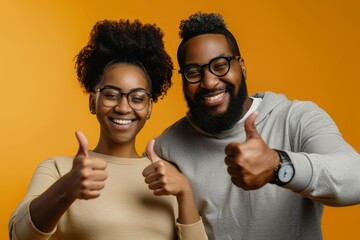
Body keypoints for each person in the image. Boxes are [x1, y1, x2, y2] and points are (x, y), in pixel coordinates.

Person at [153, 12, 360, 239]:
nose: (209, 82)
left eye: (220, 65)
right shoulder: (167, 148)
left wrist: (277, 165)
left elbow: (355, 177)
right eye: (194, 72)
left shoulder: (295, 119)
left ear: (241, 66)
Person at [8, 19, 207, 240]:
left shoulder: (168, 176)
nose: (123, 107)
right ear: (93, 101)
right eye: (112, 95)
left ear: (149, 107)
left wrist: (185, 191)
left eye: (137, 98)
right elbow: (19, 235)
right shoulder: (59, 170)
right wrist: (66, 188)